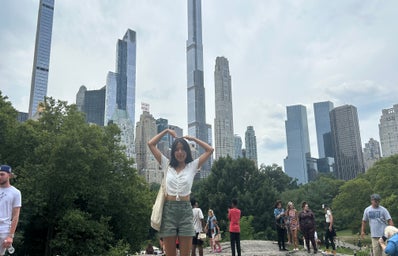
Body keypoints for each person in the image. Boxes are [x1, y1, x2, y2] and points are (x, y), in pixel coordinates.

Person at [148, 129, 214, 256]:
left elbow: (210, 150)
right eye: (177, 149)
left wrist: (193, 139)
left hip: (185, 211)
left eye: (183, 149)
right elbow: (151, 144)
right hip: (169, 210)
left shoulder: (192, 166)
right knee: (170, 254)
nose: (180, 152)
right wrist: (166, 131)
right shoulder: (166, 164)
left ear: (187, 151)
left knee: (185, 254)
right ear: (173, 152)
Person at [0, 165, 22, 256]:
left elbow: (16, 216)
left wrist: (10, 236)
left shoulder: (15, 193)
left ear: (9, 175)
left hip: (3, 230)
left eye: (2, 174)